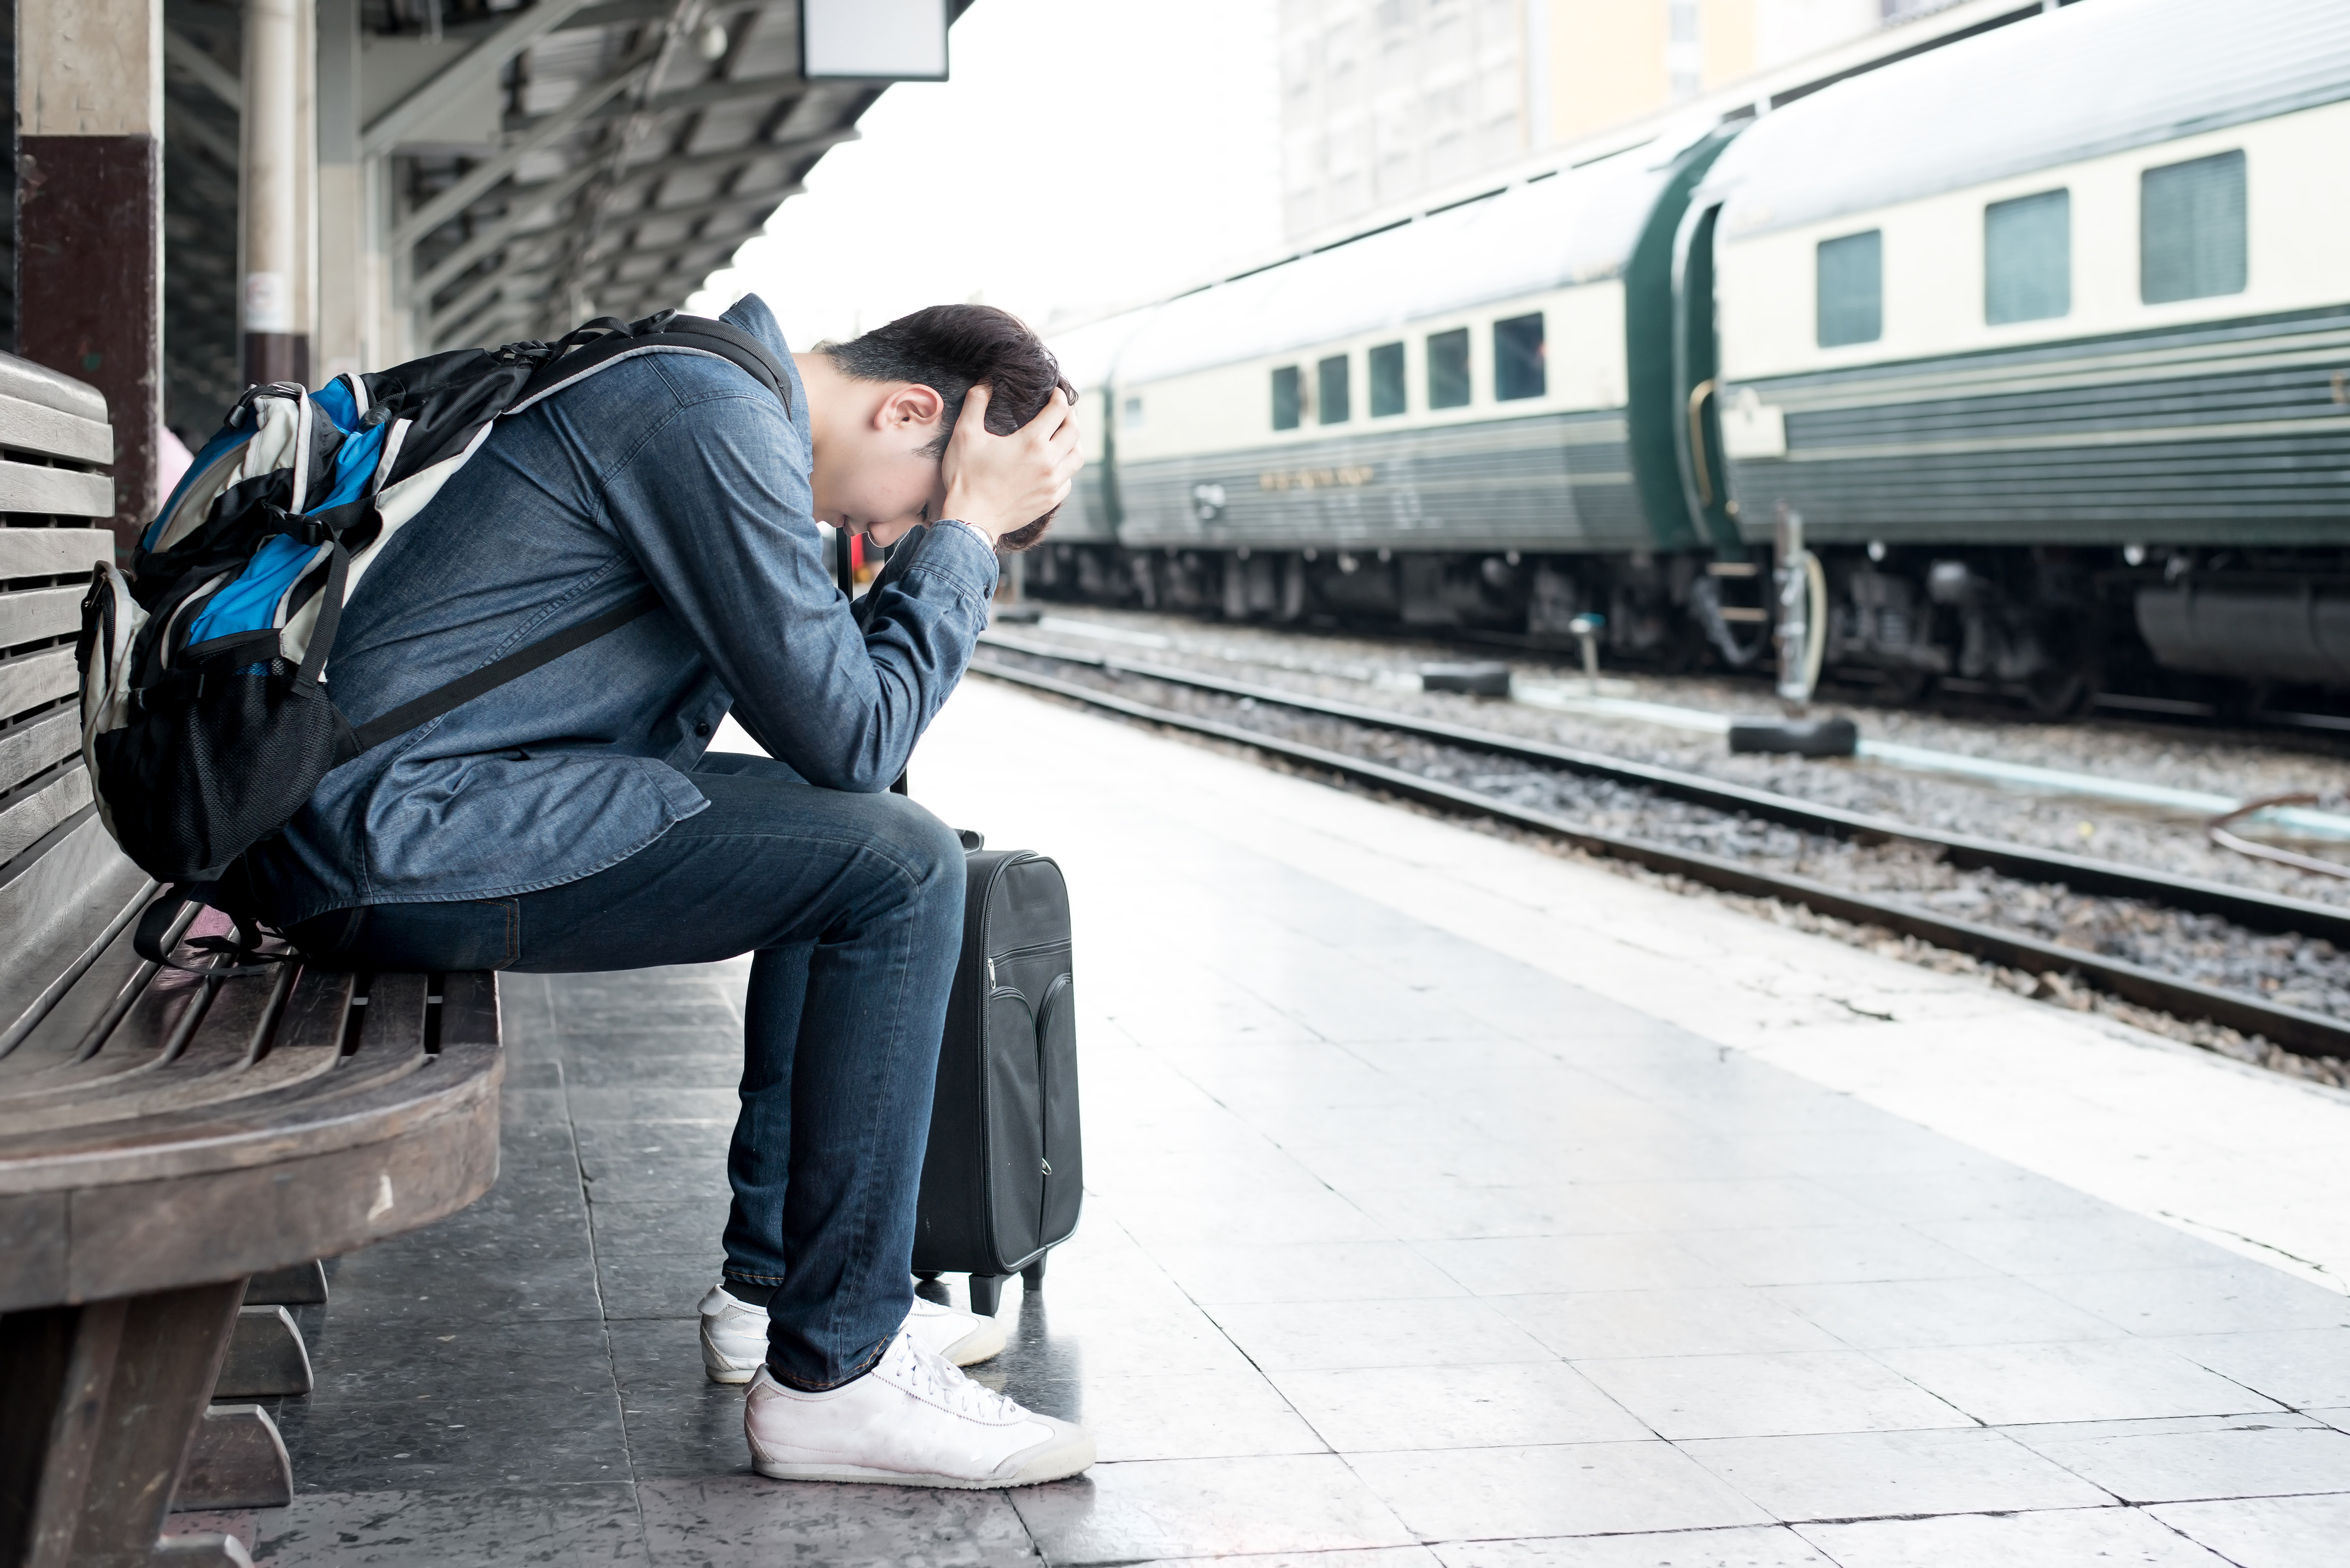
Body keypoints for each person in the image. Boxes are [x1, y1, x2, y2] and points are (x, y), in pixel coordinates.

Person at [250, 295, 1095, 1489]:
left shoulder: (711, 406)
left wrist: (948, 528)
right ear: (908, 410)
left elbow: (838, 738)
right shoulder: (704, 417)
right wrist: (961, 539)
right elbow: (856, 734)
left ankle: (782, 1296)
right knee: (891, 859)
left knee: (860, 845)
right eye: (914, 503)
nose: (881, 532)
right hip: (398, 837)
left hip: (421, 817)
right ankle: (836, 1374)